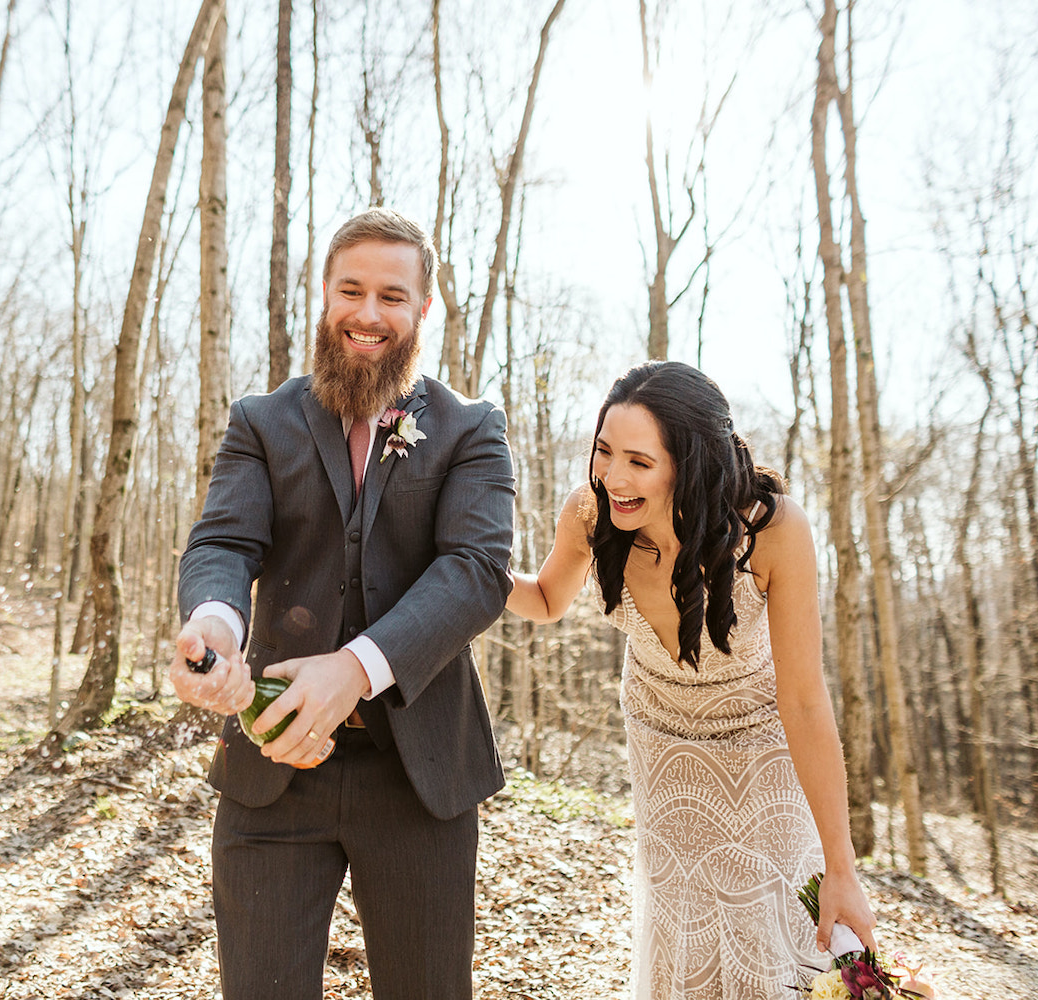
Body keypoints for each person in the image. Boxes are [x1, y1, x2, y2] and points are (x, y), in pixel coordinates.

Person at [169, 207, 515, 1000]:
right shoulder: (261, 421)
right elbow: (224, 542)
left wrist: (354, 671)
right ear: (323, 296)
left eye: (393, 296)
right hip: (271, 764)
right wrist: (215, 624)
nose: (368, 313)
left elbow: (476, 570)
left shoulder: (470, 431)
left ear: (424, 310)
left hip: (420, 773)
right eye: (351, 290)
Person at [506, 360, 878, 1000]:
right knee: (682, 930)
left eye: (638, 462)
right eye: (603, 452)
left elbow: (804, 701)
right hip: (661, 742)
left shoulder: (774, 530)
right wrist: (462, 565)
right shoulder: (590, 514)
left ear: (691, 463)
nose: (612, 477)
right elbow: (543, 598)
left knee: (772, 924)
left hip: (762, 743)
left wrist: (842, 868)